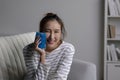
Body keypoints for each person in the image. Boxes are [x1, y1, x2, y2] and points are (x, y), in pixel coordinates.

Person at [23, 12, 75, 80]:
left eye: (56, 32)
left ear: (61, 33)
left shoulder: (67, 49)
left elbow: (59, 78)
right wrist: (42, 55)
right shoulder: (28, 50)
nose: (51, 37)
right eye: (47, 31)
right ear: (41, 32)